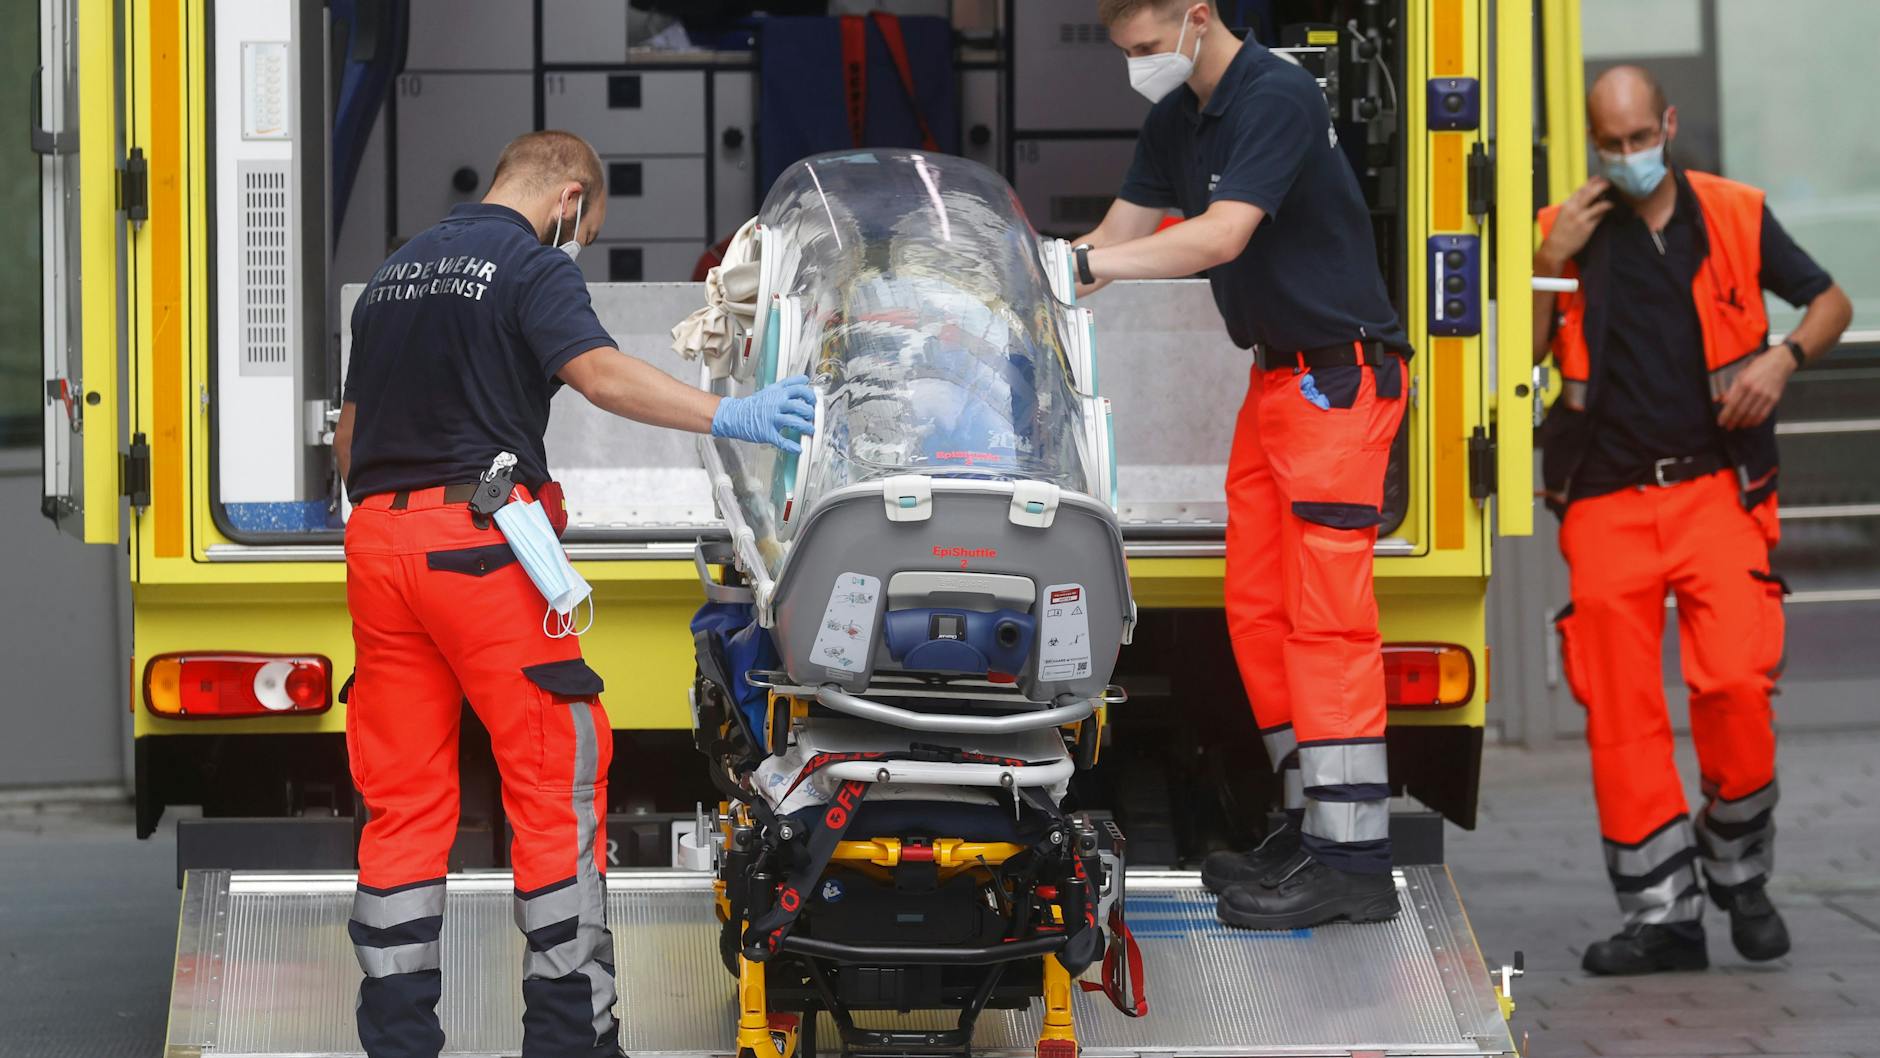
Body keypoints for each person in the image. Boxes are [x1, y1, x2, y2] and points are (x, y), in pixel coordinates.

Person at [333, 130, 814, 1057]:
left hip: (378, 550)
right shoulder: (528, 263)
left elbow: (352, 443)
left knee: (402, 798)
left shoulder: (395, 273)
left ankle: (396, 1042)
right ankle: (569, 1039)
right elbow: (597, 376)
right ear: (569, 199)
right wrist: (729, 412)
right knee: (557, 779)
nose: (579, 242)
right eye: (586, 227)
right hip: (476, 550)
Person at [1077, 0, 1412, 930]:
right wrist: (1037, 279)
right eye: (1126, 53)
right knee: (1260, 609)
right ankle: (1311, 827)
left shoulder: (1277, 95)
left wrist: (1093, 268)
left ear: (1196, 15)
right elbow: (1114, 238)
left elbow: (1221, 236)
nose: (1137, 65)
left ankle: (1353, 861)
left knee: (1326, 623)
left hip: (1336, 382)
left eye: (1146, 47)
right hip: (1276, 386)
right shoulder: (1177, 116)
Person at [1533, 66, 1851, 975]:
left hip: (1717, 489)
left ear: (1667, 126)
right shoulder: (1562, 232)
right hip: (1604, 500)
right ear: (1592, 143)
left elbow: (1831, 301)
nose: (1629, 157)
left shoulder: (1737, 212)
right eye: (1612, 143)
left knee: (1737, 685)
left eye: (1641, 138)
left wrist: (1783, 360)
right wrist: (1551, 262)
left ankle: (1738, 869)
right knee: (1619, 713)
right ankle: (1663, 918)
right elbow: (1521, 354)